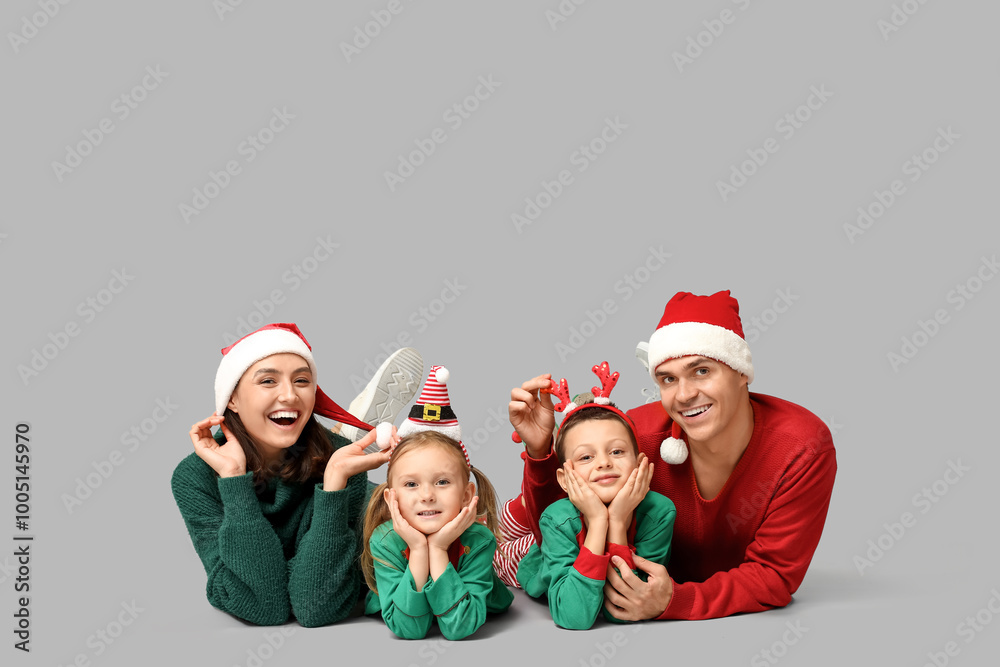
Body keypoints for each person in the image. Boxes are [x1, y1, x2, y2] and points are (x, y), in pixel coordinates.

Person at [507, 291, 837, 621]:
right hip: (578, 542)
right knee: (502, 533)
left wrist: (674, 601)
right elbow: (558, 524)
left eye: (702, 371)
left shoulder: (801, 449)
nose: (684, 395)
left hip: (613, 550)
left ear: (741, 372)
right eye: (668, 379)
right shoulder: (637, 435)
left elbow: (774, 575)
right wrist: (539, 451)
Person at [171, 323, 416, 626]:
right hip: (310, 480)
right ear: (232, 399)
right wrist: (233, 480)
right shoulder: (195, 476)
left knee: (410, 501)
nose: (289, 395)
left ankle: (350, 436)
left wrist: (335, 483)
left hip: (344, 478)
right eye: (268, 381)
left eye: (302, 380)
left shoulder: (339, 464)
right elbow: (264, 606)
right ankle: (351, 431)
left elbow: (316, 607)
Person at [513, 363, 676, 630]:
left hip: (553, 532)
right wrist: (599, 520)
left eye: (617, 452)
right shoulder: (556, 519)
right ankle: (508, 518)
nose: (603, 463)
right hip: (532, 561)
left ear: (640, 465)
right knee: (501, 545)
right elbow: (573, 617)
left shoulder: (659, 513)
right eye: (586, 457)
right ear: (564, 479)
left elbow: (623, 608)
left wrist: (617, 521)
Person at [361, 366, 513, 640]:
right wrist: (419, 549)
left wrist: (439, 548)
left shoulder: (478, 540)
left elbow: (460, 627)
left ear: (466, 495)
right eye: (411, 484)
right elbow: (409, 629)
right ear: (391, 496)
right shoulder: (385, 541)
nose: (427, 495)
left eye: (442, 482)